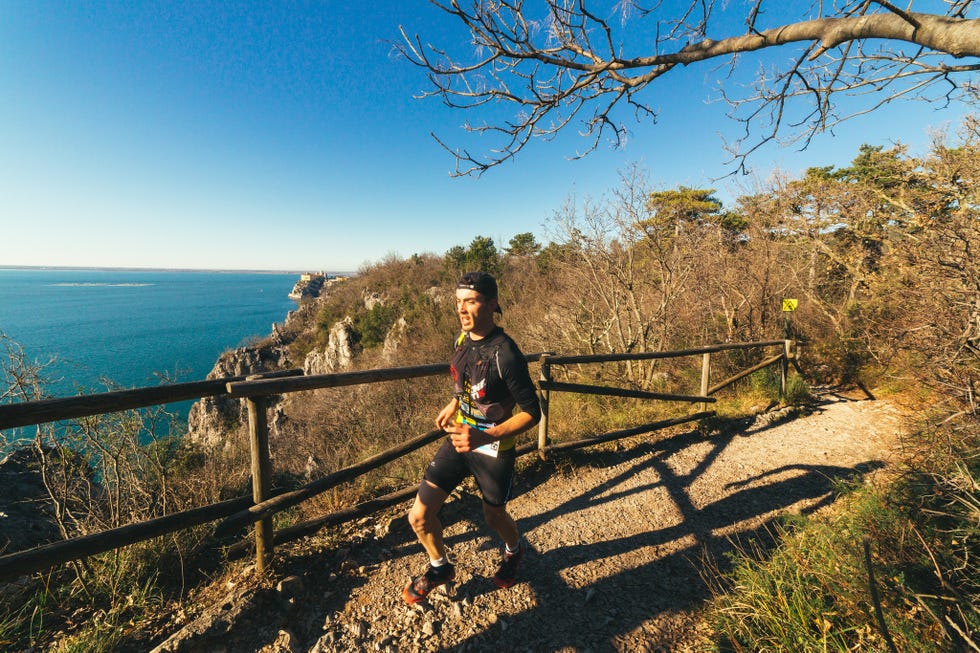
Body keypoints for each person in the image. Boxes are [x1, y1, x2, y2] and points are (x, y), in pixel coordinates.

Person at [403, 271, 541, 604]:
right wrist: (454, 403)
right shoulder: (461, 340)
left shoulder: (505, 354)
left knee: (493, 516)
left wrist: (484, 436)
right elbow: (465, 380)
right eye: (458, 302)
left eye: (472, 301)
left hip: (493, 446)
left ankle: (514, 550)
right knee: (419, 515)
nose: (462, 309)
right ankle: (439, 568)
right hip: (459, 438)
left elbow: (532, 412)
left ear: (492, 304)